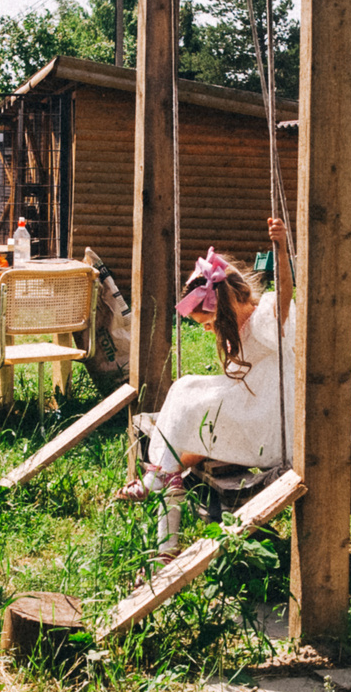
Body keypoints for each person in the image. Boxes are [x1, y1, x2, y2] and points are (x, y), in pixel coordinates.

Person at [119, 216, 294, 554]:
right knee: (184, 390)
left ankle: (164, 531)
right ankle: (164, 519)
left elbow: (286, 293)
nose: (208, 329)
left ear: (225, 307)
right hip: (252, 406)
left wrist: (283, 249)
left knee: (189, 402)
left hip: (271, 419)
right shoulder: (238, 329)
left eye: (210, 321)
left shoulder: (266, 318)